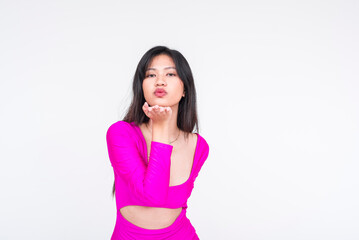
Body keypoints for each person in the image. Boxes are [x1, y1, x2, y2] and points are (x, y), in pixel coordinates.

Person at [106, 46, 210, 239]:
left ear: (185, 89)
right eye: (151, 75)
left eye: (170, 74)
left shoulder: (198, 146)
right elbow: (152, 196)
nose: (160, 81)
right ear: (142, 86)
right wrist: (160, 128)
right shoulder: (121, 134)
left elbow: (172, 203)